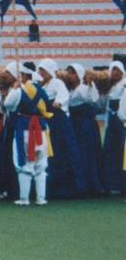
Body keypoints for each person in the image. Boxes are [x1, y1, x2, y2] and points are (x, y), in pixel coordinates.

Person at [4, 63, 54, 206]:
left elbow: (8, 104)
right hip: (41, 130)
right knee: (41, 165)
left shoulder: (21, 91)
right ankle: (40, 198)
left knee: (23, 163)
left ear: (24, 76)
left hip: (24, 130)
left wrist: (14, 89)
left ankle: (24, 199)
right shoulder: (43, 91)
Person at [36, 59, 84, 198]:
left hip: (58, 121)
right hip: (48, 121)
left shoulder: (57, 83)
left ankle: (67, 187)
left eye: (43, 70)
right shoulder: (44, 86)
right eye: (40, 70)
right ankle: (52, 186)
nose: (41, 73)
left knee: (62, 151)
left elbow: (64, 95)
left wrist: (59, 102)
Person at [65, 63, 103, 196]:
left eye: (73, 73)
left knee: (86, 152)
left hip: (84, 125)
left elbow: (93, 99)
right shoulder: (72, 89)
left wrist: (89, 85)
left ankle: (91, 184)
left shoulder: (83, 88)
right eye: (69, 72)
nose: (70, 76)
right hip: (75, 123)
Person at [100, 61, 126, 194]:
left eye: (117, 70)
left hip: (123, 121)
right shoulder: (110, 86)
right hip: (112, 121)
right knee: (110, 151)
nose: (115, 73)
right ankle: (110, 184)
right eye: (113, 70)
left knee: (123, 151)